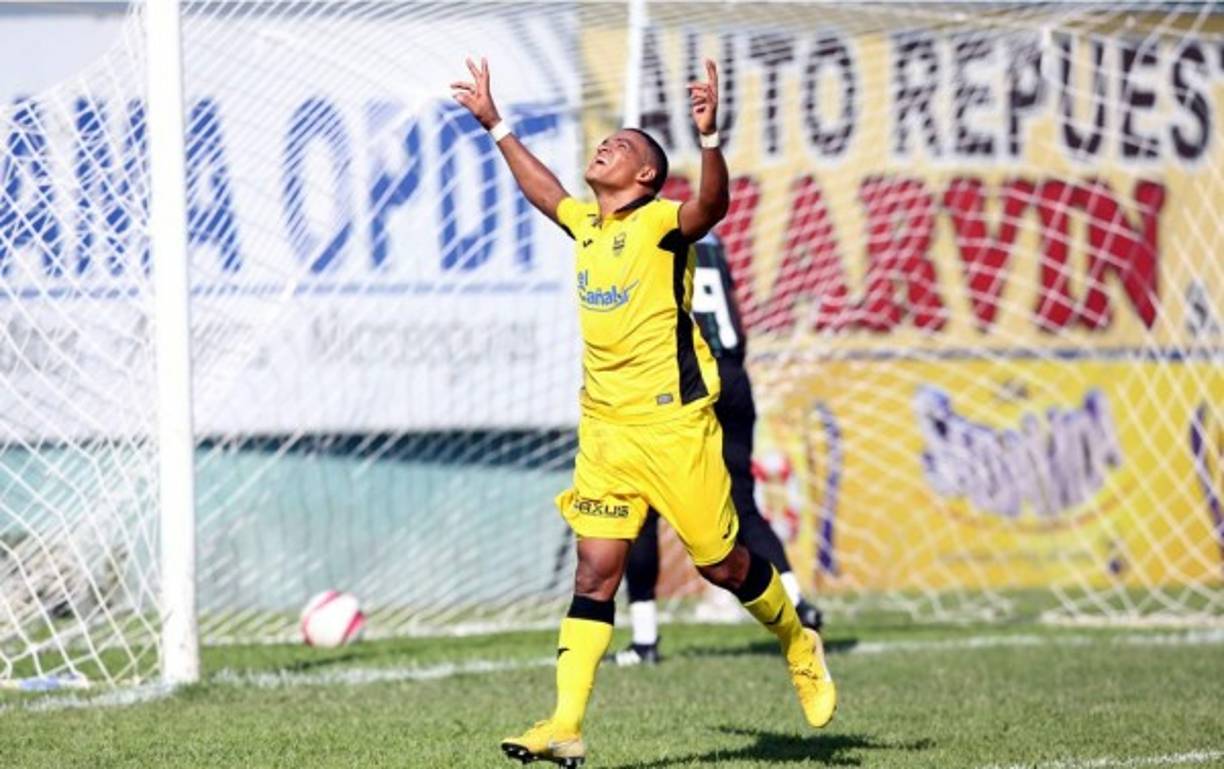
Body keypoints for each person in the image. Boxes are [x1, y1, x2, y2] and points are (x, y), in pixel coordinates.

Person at [451, 56, 836, 769]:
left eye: (623, 147)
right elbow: (548, 194)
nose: (607, 146)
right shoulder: (588, 226)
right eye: (608, 141)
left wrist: (711, 137)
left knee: (722, 565)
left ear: (647, 177)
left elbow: (711, 208)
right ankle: (564, 722)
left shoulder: (663, 224)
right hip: (605, 428)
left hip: (675, 427)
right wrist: (496, 124)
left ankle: (794, 639)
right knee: (595, 571)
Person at [612, 233, 824, 668]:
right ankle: (799, 605)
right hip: (733, 375)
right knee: (742, 503)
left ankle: (645, 638)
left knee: (642, 504)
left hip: (687, 380)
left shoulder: (651, 233)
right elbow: (733, 315)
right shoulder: (711, 242)